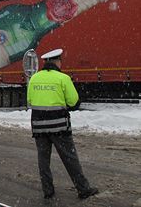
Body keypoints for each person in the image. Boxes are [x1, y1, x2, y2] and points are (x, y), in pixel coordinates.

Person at [27, 48, 98, 200]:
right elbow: (74, 102)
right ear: (57, 62)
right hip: (59, 126)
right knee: (70, 158)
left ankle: (48, 191)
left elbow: (30, 101)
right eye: (60, 61)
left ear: (45, 62)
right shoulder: (63, 78)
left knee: (43, 160)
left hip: (39, 127)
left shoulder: (34, 78)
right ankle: (83, 189)